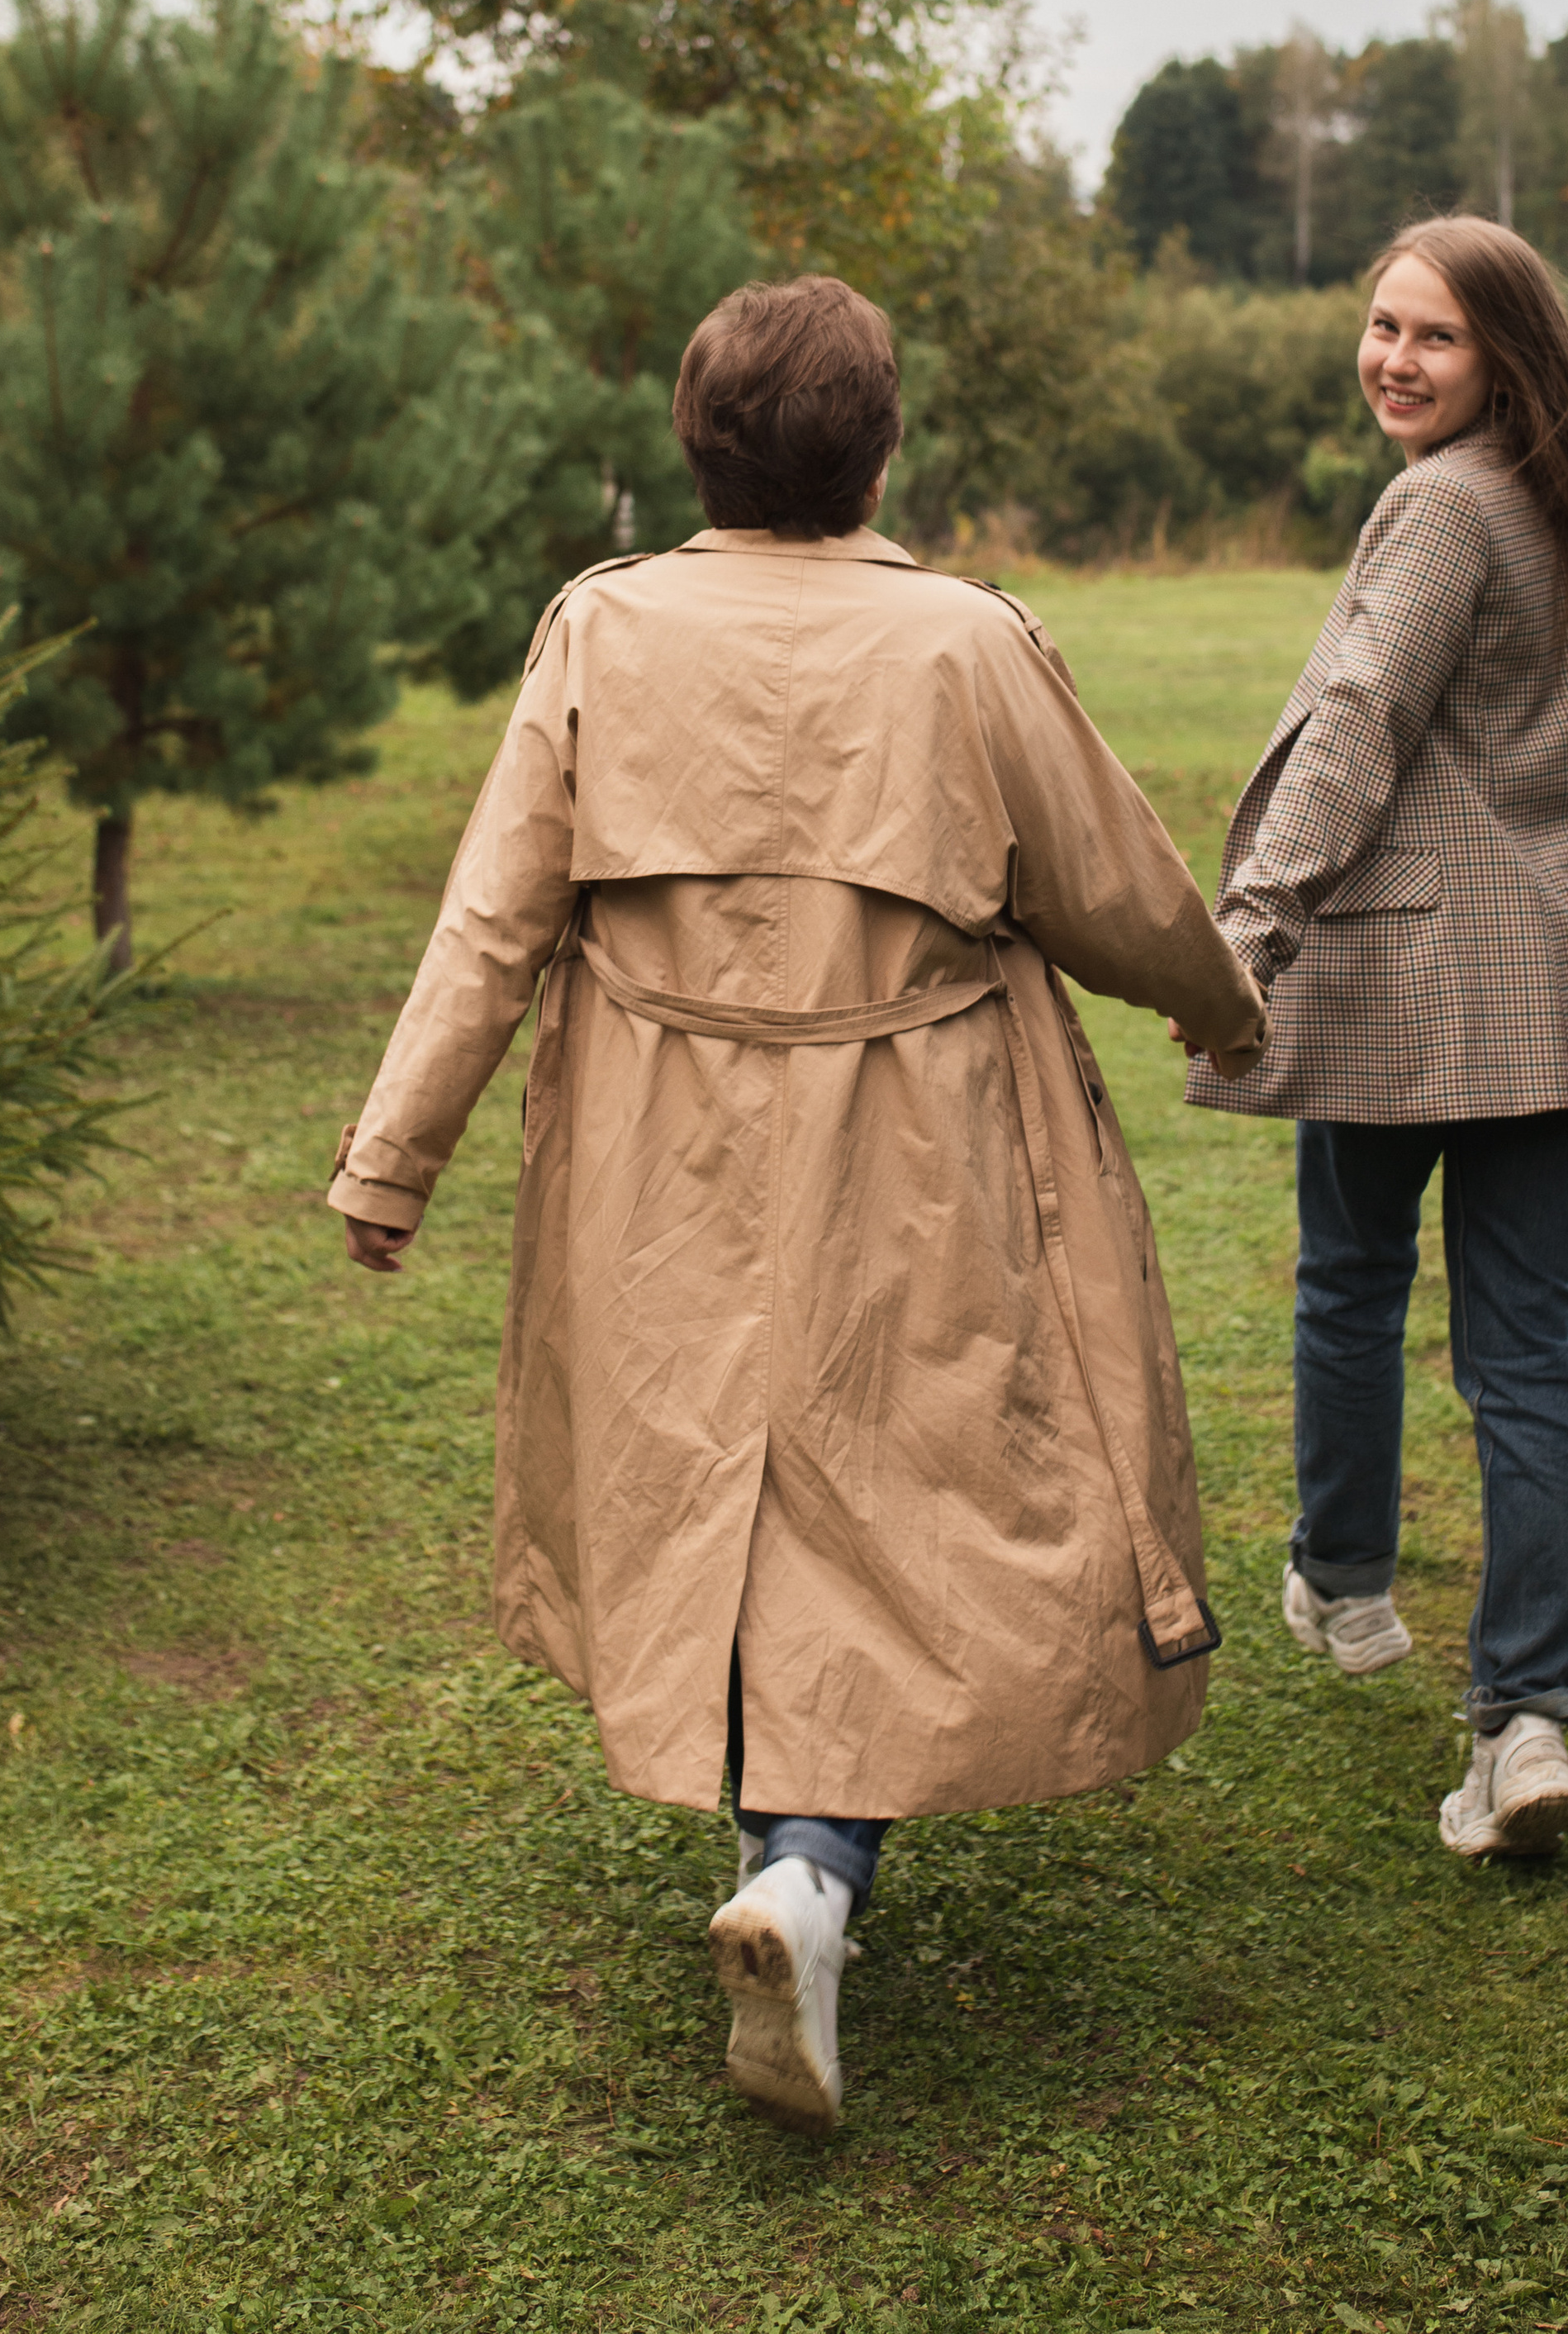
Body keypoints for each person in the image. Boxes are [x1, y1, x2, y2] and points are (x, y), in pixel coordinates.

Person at [329, 273, 1267, 2129]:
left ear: (696, 444)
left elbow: (493, 916)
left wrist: (393, 1157)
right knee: (894, 1488)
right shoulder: (962, 643)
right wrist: (1220, 1007)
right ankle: (812, 1873)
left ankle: (795, 1864)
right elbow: (1111, 886)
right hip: (918, 1149)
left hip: (656, 1157)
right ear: (880, 449)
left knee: (723, 1488)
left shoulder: (600, 628)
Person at [1184, 216, 1568, 1859]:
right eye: (1381, 325)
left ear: (1500, 355)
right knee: (1524, 1355)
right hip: (1554, 985)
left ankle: (1346, 1581)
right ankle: (1521, 1722)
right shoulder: (1543, 489)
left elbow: (1356, 720)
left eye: (1431, 335)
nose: (1393, 358)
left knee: (1351, 1282)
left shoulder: (1442, 504)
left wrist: (1247, 932)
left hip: (1409, 984)